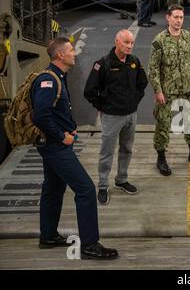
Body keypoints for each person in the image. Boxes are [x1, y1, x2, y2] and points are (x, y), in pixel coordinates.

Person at [32, 37, 118, 259]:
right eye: (70, 50)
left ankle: (48, 235)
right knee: (86, 190)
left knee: (53, 188)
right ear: (60, 55)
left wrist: (67, 130)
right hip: (55, 146)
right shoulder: (48, 80)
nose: (74, 53)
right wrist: (62, 136)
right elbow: (40, 115)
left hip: (55, 144)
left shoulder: (58, 76)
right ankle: (90, 245)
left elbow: (53, 113)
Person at [84, 30, 148, 205]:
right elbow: (89, 91)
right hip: (112, 116)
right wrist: (103, 107)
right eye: (126, 42)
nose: (129, 46)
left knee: (127, 148)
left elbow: (142, 83)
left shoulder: (134, 62)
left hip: (130, 115)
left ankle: (121, 179)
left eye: (132, 43)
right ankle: (103, 185)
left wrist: (134, 101)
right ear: (117, 42)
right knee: (107, 152)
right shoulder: (103, 63)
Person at [149, 4, 190, 176]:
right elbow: (153, 69)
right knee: (163, 125)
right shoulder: (159, 41)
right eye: (175, 17)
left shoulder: (189, 38)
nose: (179, 20)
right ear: (168, 18)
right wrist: (158, 91)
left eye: (181, 17)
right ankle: (161, 158)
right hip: (167, 92)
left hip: (188, 89)